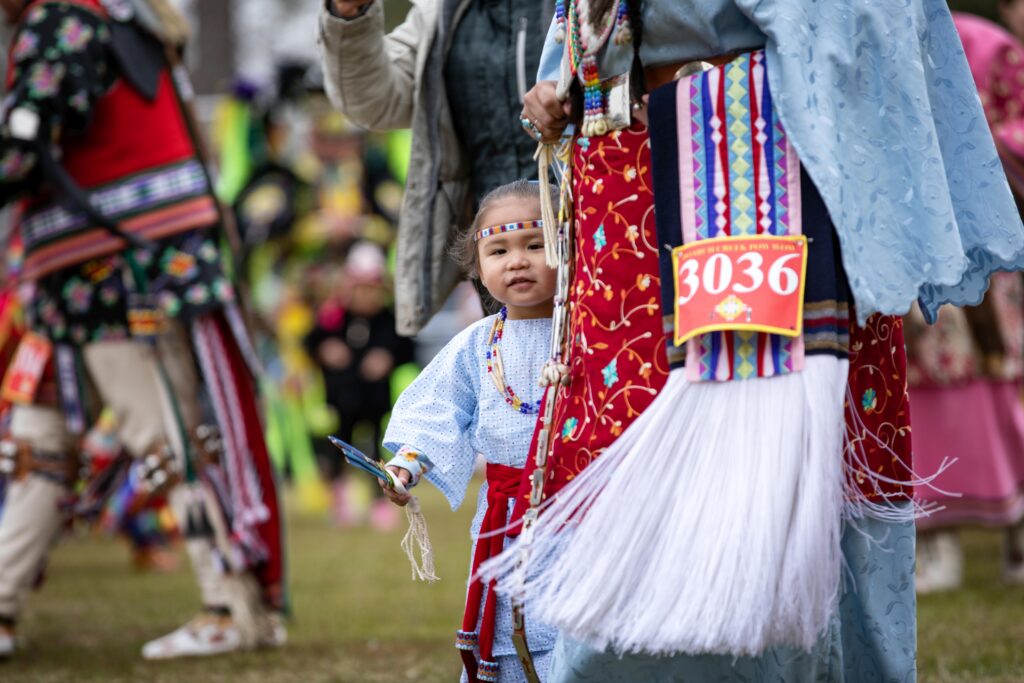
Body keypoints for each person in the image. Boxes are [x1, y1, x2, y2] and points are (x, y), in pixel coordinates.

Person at [477, 1, 1024, 681]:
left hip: (773, 168)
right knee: (628, 431)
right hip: (629, 188)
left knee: (788, 441)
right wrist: (565, 79)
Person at [0, 0, 285, 659]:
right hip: (102, 267)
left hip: (114, 268)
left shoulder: (64, 18)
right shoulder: (129, 18)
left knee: (164, 437)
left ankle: (231, 605)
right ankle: (5, 605)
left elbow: (26, 144)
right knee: (40, 442)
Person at [380, 180, 558, 683]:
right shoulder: (477, 344)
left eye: (536, 244)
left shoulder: (592, 334)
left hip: (584, 511)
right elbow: (438, 409)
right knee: (511, 628)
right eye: (498, 250)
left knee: (579, 625)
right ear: (477, 266)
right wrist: (406, 465)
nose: (517, 261)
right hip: (504, 519)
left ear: (569, 246)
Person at [318, 0, 553, 333]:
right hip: (496, 260)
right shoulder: (443, 12)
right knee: (515, 375)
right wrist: (349, 16)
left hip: (594, 235)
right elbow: (373, 101)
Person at [905, 12, 1024, 593]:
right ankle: (936, 542)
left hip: (982, 243)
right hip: (922, 237)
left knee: (1002, 387)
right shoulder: (895, 25)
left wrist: (977, 140)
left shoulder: (995, 49)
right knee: (927, 387)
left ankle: (1017, 535)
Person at [305, 241, 414, 529]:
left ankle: (379, 500)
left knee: (377, 450)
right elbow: (310, 341)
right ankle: (339, 499)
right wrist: (325, 349)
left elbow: (407, 349)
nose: (365, 296)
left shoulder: (388, 322)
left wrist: (387, 356)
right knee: (339, 449)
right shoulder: (334, 319)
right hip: (342, 401)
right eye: (359, 288)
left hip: (375, 402)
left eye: (371, 289)